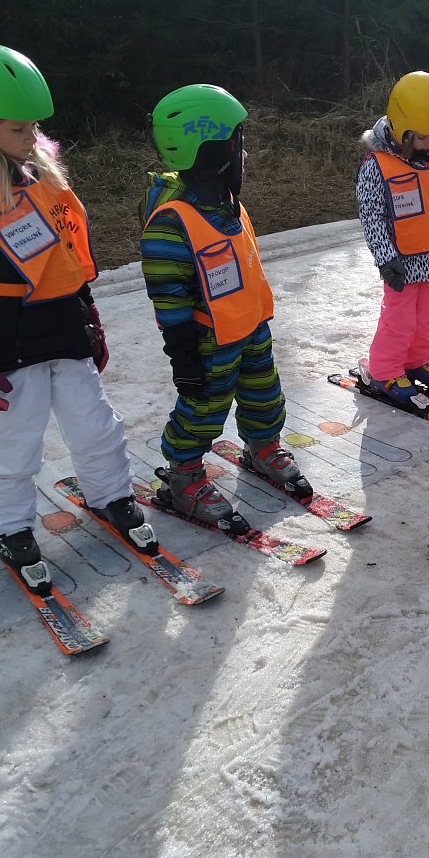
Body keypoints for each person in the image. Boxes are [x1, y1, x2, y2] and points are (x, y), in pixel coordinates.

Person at [0, 41, 156, 592]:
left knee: (95, 422)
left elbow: (65, 258)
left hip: (63, 326)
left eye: (34, 127)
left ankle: (111, 494)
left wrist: (90, 316)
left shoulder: (40, 176)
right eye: (18, 129)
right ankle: (8, 525)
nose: (30, 138)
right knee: (16, 438)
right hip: (8, 338)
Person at [141, 83, 301, 531]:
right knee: (203, 409)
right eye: (237, 142)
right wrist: (184, 356)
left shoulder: (226, 203)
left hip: (251, 327)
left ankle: (263, 445)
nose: (243, 152)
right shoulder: (171, 223)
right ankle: (184, 474)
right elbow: (168, 297)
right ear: (212, 152)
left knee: (263, 392)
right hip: (208, 341)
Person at [355, 70, 429, 409]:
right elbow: (372, 215)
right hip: (402, 263)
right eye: (422, 137)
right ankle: (385, 371)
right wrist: (385, 257)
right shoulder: (378, 165)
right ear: (402, 130)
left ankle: (418, 359)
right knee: (399, 320)